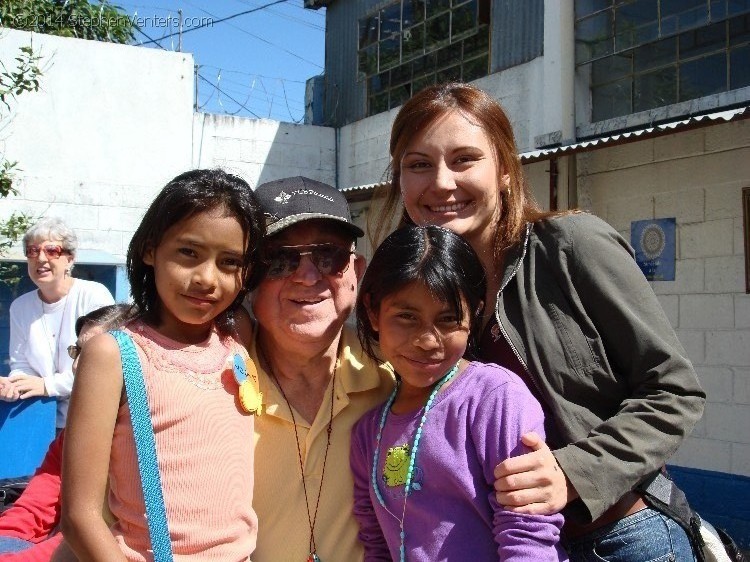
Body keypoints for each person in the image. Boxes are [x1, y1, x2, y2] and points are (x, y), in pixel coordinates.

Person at [375, 82, 706, 561]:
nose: (442, 182)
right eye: (419, 164)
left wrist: (575, 472)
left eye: (464, 159)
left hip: (621, 538)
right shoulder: (410, 290)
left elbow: (675, 391)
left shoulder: (570, 245)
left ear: (506, 170)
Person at [61, 169, 265, 561]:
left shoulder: (237, 346)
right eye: (189, 253)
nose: (207, 278)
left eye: (229, 262)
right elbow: (79, 516)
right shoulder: (113, 355)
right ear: (151, 249)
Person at [351, 224, 567, 561]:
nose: (427, 340)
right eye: (406, 317)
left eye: (449, 319)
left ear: (475, 311)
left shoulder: (495, 398)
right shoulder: (368, 433)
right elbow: (377, 543)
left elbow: (527, 536)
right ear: (372, 312)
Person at [247, 176, 394, 561]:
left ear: (355, 271)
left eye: (329, 257)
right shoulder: (211, 385)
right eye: (280, 260)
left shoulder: (401, 378)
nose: (308, 276)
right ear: (247, 279)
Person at [0, 304, 133, 561]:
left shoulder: (149, 442)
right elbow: (35, 506)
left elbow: (94, 534)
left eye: (96, 353)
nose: (77, 366)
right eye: (78, 351)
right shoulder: (73, 434)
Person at [2, 217, 115, 429]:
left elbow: (102, 369)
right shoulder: (20, 307)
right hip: (39, 423)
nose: (40, 258)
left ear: (70, 259)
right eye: (32, 251)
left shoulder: (93, 296)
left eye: (51, 250)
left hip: (90, 423)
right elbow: (20, 366)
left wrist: (47, 385)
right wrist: (14, 385)